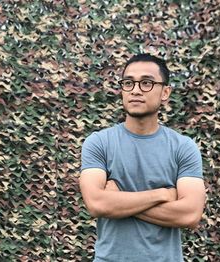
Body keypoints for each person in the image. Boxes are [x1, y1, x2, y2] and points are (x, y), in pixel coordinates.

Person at [79, 53, 206, 262]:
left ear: (165, 92)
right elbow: (97, 204)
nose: (136, 90)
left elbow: (189, 215)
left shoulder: (183, 147)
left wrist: (118, 199)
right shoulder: (99, 143)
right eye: (128, 83)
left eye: (146, 83)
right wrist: (162, 194)